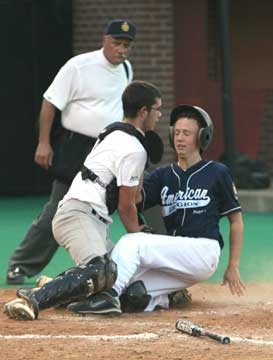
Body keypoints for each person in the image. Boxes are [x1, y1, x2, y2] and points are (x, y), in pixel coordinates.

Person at [3, 80, 163, 321]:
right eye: (157, 109)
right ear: (143, 112)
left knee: (130, 291)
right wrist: (138, 238)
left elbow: (132, 196)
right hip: (77, 215)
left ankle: (62, 286)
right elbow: (126, 206)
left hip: (93, 222)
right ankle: (33, 299)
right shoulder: (134, 148)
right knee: (102, 271)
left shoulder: (112, 131)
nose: (159, 115)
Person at [65, 104, 245, 315]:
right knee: (133, 293)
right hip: (174, 257)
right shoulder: (164, 175)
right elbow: (136, 198)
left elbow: (236, 221)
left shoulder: (217, 172)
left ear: (202, 137)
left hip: (203, 250)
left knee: (133, 242)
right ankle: (74, 290)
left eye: (187, 133)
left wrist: (232, 265)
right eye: (176, 132)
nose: (180, 138)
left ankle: (108, 295)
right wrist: (138, 163)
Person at [7, 19, 136, 285]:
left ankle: (104, 262)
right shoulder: (78, 66)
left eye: (126, 45)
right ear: (104, 40)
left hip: (107, 147)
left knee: (101, 208)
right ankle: (21, 265)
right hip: (77, 146)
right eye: (116, 43)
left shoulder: (126, 69)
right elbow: (50, 102)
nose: (121, 49)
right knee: (59, 206)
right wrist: (44, 142)